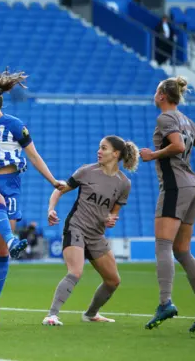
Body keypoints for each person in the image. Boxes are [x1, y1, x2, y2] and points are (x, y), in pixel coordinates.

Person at [0, 67, 65, 329]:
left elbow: (33, 155)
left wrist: (53, 180)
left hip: (10, 186)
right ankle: (13, 241)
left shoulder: (15, 126)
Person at [139, 76, 195, 332]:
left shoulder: (165, 118)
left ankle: (165, 303)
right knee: (182, 250)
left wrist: (153, 155)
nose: (154, 95)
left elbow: (175, 145)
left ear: (162, 95)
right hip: (194, 187)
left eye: (156, 90)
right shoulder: (189, 121)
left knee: (163, 244)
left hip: (175, 186)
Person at [42, 136, 138, 326]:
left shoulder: (124, 183)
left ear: (116, 154)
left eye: (104, 148)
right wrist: (51, 209)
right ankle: (52, 315)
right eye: (99, 148)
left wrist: (111, 219)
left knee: (113, 281)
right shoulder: (87, 171)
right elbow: (60, 189)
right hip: (76, 226)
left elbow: (113, 213)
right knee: (75, 272)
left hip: (96, 235)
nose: (99, 151)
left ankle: (91, 314)